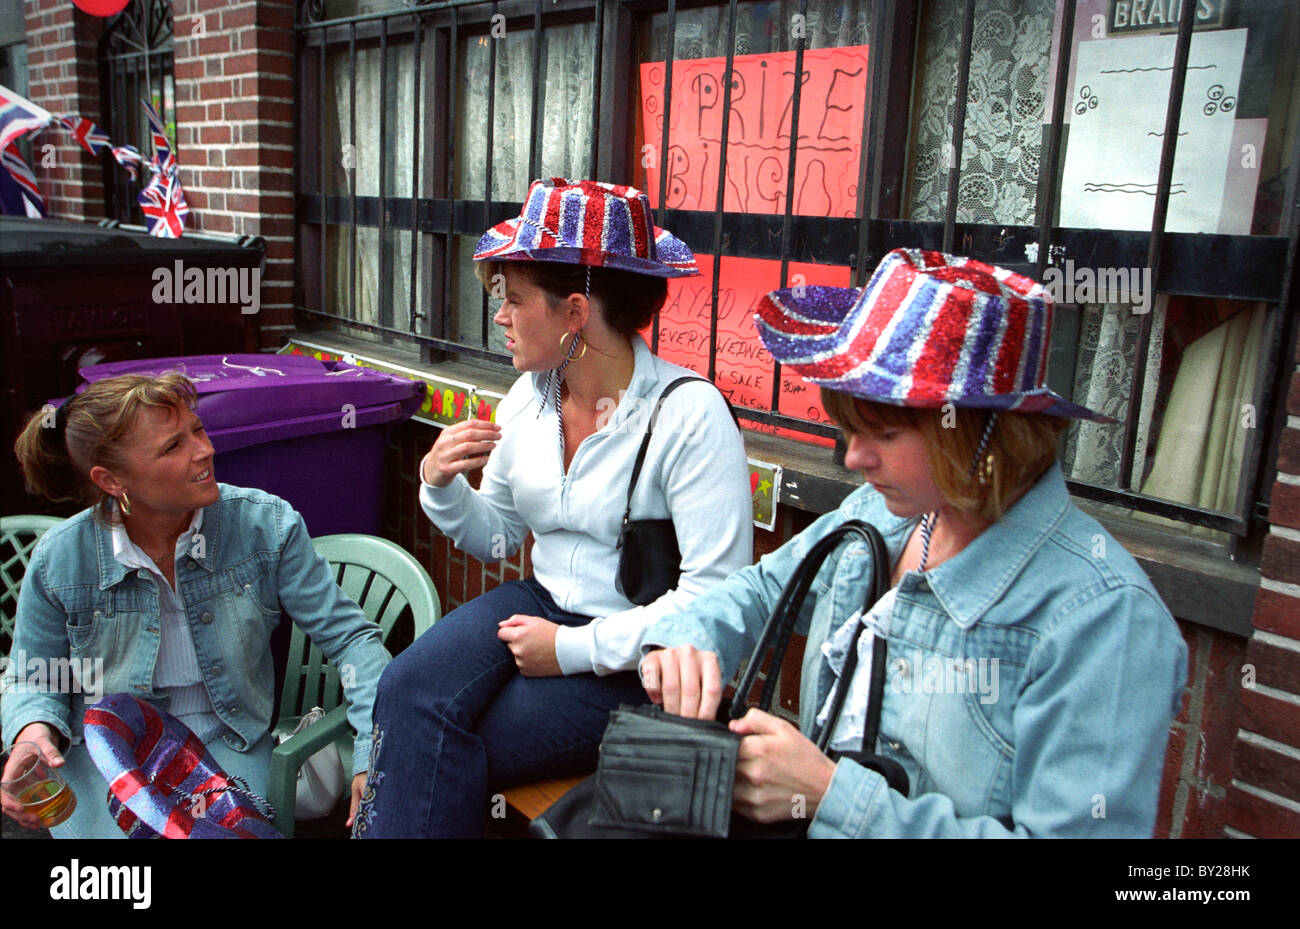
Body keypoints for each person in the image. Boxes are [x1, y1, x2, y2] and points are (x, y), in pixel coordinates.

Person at [640, 249, 1188, 838]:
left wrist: (830, 796)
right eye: (849, 430)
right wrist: (687, 644)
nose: (853, 458)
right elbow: (765, 588)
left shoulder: (1105, 620)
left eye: (885, 433)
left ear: (984, 435)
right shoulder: (882, 514)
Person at [354, 178, 752, 838]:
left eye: (512, 299)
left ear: (574, 312)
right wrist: (441, 484)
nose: (500, 317)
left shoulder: (690, 416)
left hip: (636, 657)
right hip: (539, 605)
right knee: (405, 690)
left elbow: (717, 600)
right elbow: (501, 535)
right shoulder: (528, 399)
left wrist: (571, 648)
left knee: (451, 737)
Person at [1, 373, 391, 837]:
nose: (204, 450)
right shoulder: (61, 558)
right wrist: (32, 732)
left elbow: (352, 642)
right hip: (108, 755)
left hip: (227, 745)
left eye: (198, 430)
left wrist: (373, 756)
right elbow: (34, 674)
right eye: (172, 447)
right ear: (111, 480)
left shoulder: (265, 525)